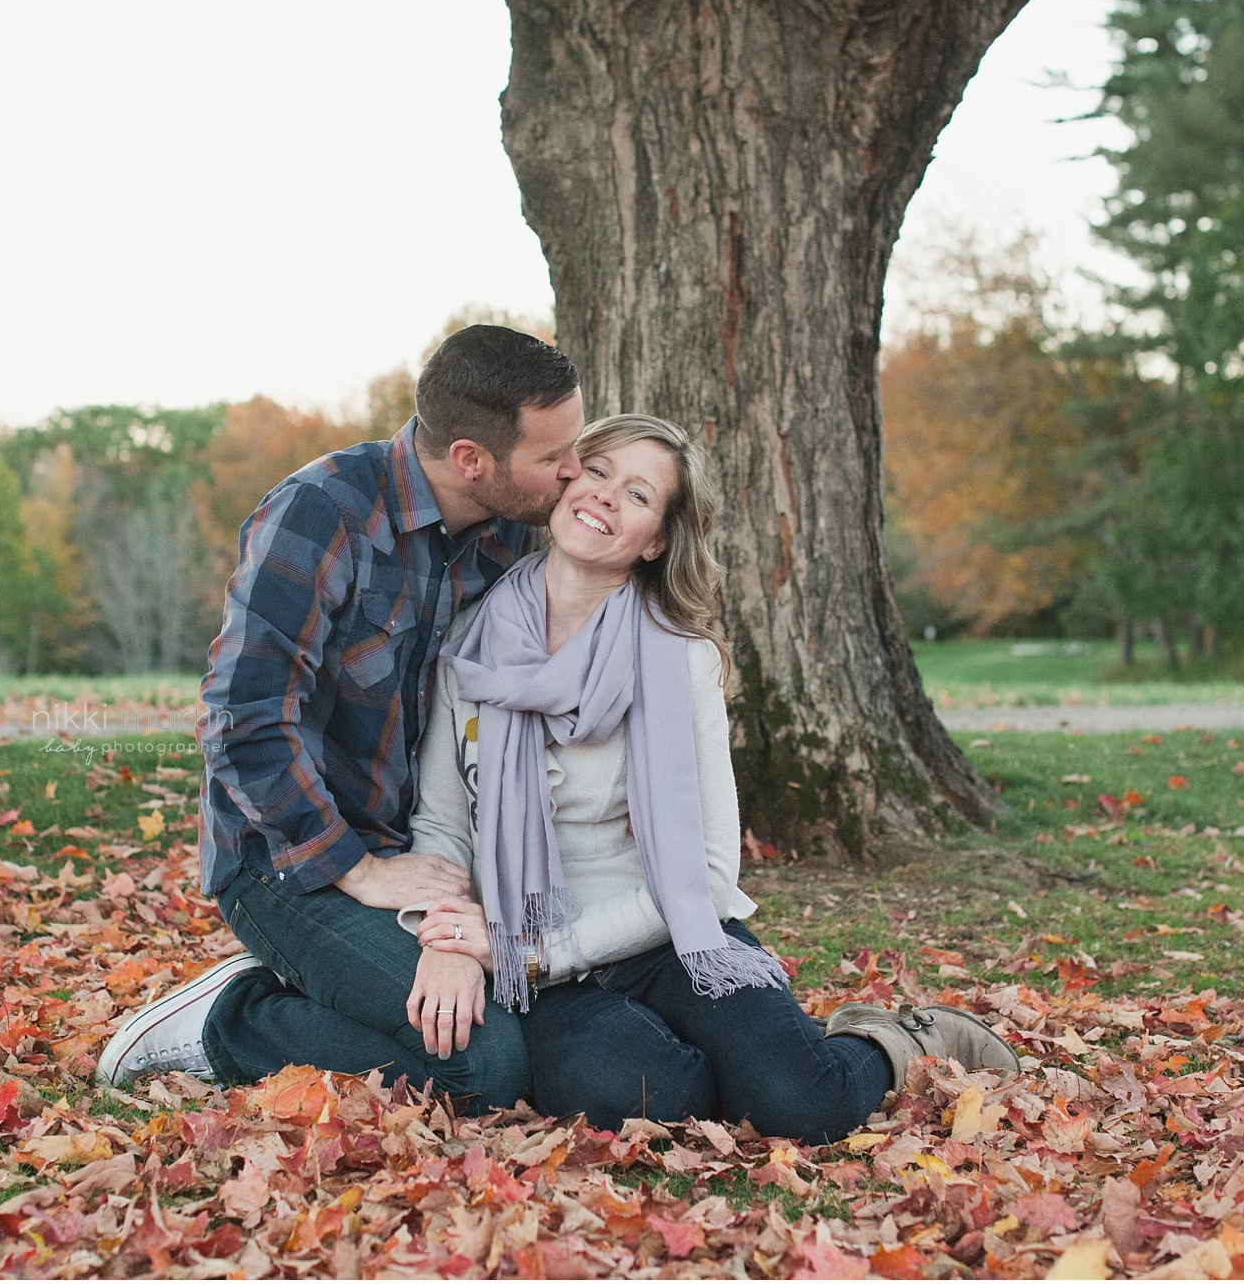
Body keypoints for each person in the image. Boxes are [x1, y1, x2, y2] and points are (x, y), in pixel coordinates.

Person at [397, 413, 1018, 1143]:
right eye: (596, 472)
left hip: (662, 938)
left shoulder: (678, 661)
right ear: (565, 480)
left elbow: (711, 873)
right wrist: (444, 937)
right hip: (529, 955)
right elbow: (440, 824)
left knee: (803, 1107)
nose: (603, 497)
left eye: (636, 494)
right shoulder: (469, 647)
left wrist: (540, 951)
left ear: (656, 539)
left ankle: (900, 1037)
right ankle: (719, 1058)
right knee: (649, 1097)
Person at [95, 324, 584, 1112]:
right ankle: (228, 1022)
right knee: (483, 1068)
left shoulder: (515, 534)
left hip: (429, 853)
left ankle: (323, 990)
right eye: (553, 456)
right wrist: (361, 872)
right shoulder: (323, 514)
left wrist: (451, 908)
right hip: (289, 860)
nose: (574, 470)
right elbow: (243, 719)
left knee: (538, 1034)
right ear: (470, 459)